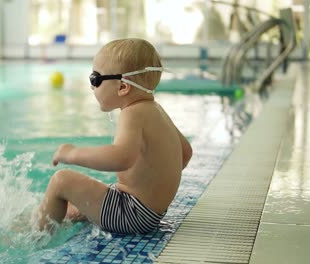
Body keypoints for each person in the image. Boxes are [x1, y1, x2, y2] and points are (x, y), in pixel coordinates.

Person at [35, 38, 192, 234]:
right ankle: (63, 215)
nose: (92, 87)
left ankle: (35, 237)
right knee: (74, 206)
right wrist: (153, 181)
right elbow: (185, 153)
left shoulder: (132, 113)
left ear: (123, 86)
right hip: (151, 213)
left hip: (133, 214)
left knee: (62, 181)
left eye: (95, 79)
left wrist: (72, 153)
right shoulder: (155, 110)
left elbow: (121, 158)